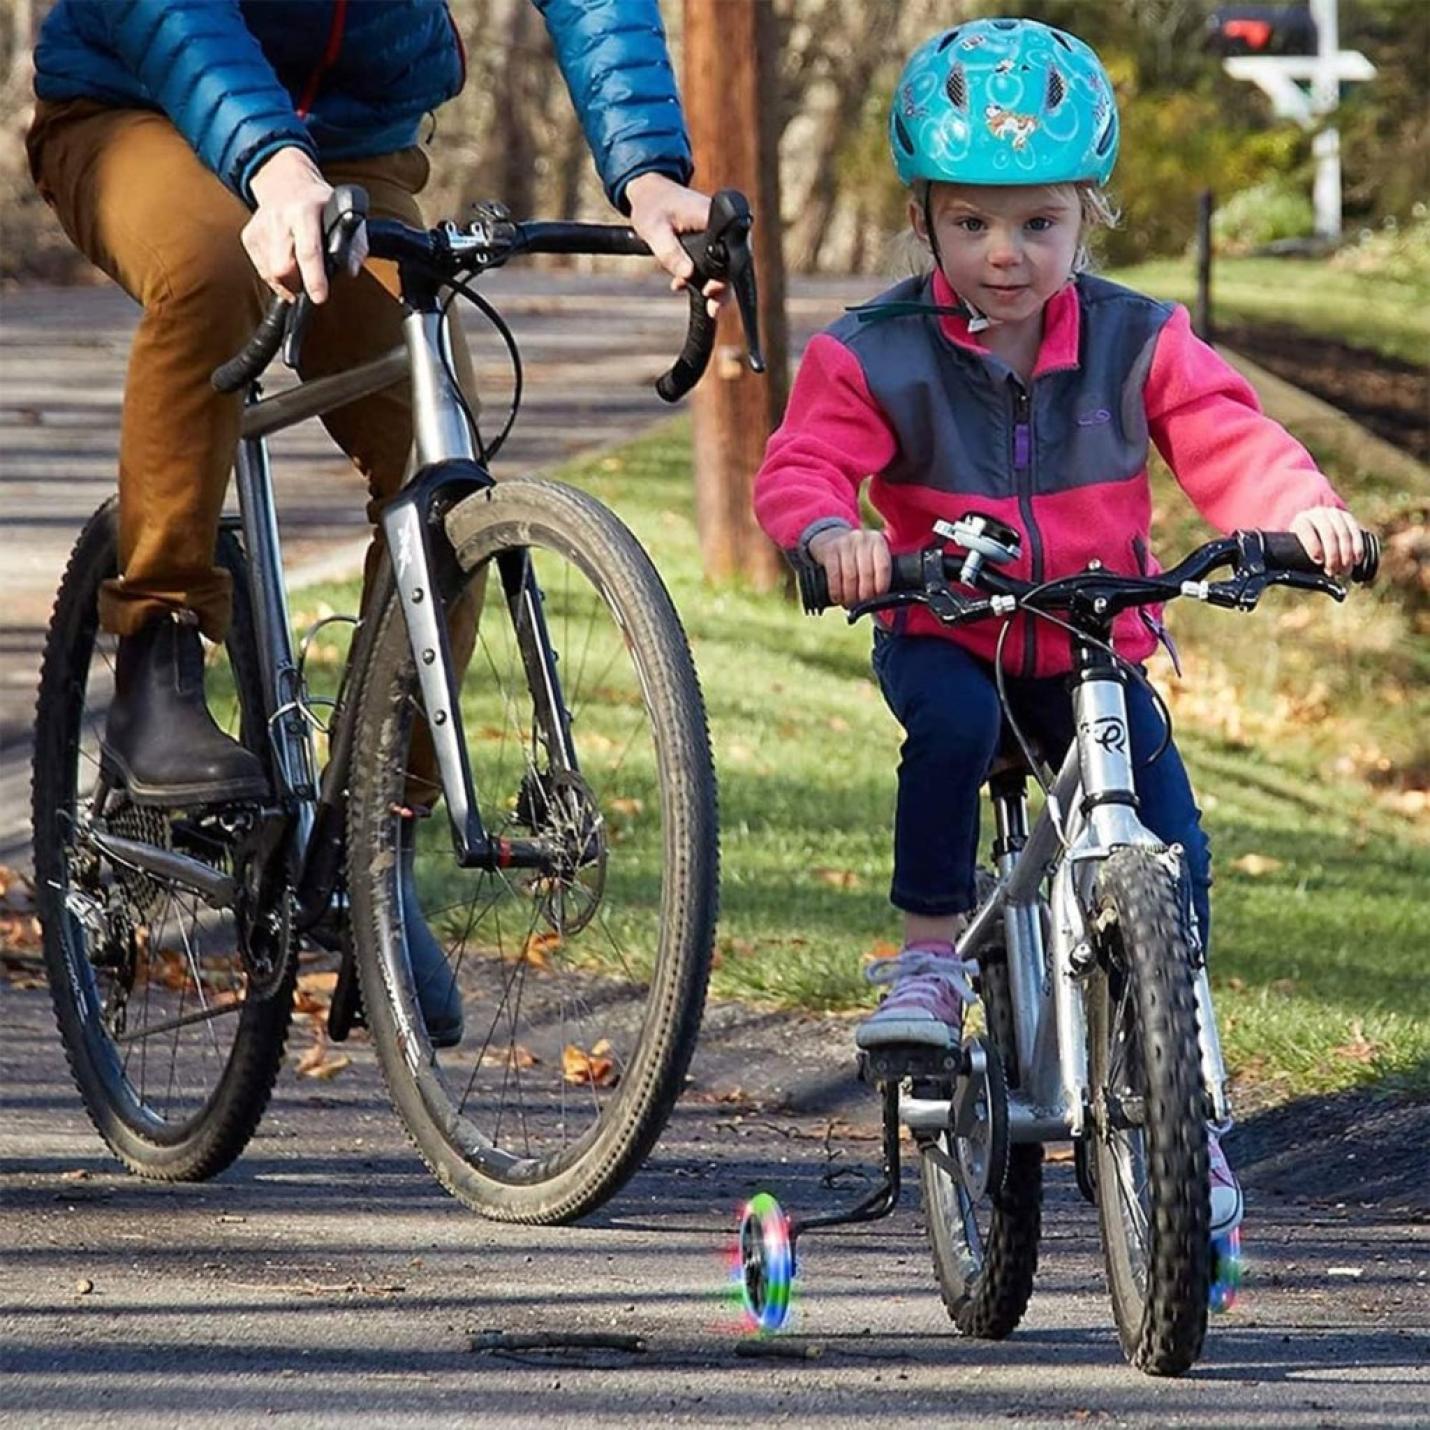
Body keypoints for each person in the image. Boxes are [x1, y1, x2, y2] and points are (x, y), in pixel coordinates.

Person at [753, 16, 1366, 1239]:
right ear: (921, 218)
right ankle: (930, 956)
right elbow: (806, 464)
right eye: (971, 222)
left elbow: (1225, 438)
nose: (1004, 254)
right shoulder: (872, 351)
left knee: (1173, 845)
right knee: (948, 722)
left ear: (1089, 213)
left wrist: (1298, 512)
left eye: (1037, 222)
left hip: (1092, 642)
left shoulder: (1141, 339)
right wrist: (832, 536)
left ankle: (1188, 1105)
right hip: (946, 622)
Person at [28, 0, 722, 1046]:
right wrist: (268, 158)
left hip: (354, 144)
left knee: (437, 435)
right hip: (137, 107)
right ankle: (155, 659)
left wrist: (648, 171)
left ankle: (369, 836)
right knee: (214, 269)